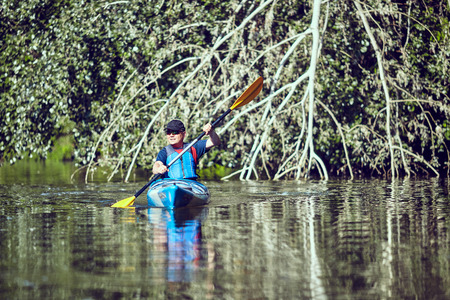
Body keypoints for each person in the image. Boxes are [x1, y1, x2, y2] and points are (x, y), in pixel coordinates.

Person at [152, 119, 221, 180]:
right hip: (170, 184)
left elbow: (215, 142)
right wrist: (159, 168)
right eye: (168, 132)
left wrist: (211, 132)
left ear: (184, 134)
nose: (171, 135)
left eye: (175, 132)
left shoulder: (194, 147)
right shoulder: (164, 152)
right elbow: (156, 166)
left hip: (190, 184)